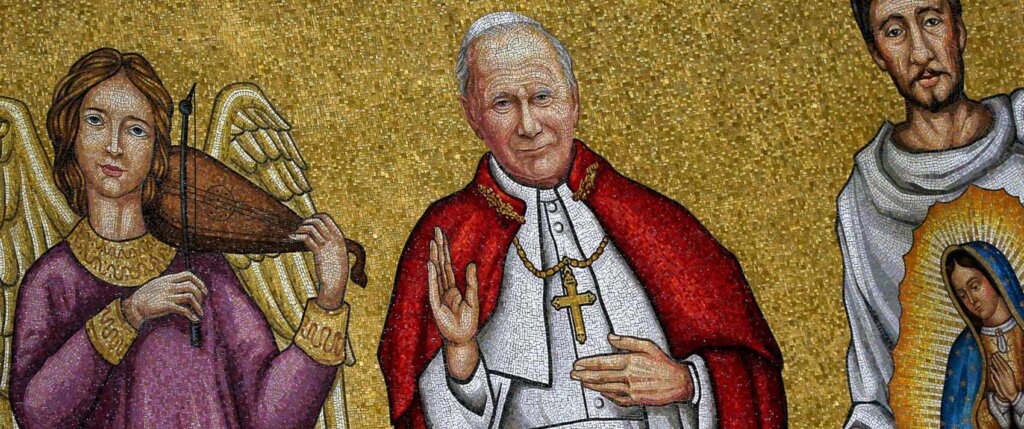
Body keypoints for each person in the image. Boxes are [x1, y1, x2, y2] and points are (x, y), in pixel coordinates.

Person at [379, 12, 785, 429]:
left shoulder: (654, 221)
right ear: (472, 116)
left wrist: (688, 382)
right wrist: (461, 355)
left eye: (542, 97)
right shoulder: (448, 236)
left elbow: (750, 371)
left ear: (574, 99)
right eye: (502, 104)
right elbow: (419, 406)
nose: (529, 126)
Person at [10, 48, 352, 428]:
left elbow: (270, 417)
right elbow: (37, 414)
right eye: (95, 121)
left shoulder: (207, 274)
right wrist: (130, 314)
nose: (114, 146)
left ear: (156, 150)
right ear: (70, 133)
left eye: (135, 130)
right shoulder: (53, 279)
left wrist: (329, 300)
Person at [839, 0, 1024, 427]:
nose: (920, 52)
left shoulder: (1020, 141)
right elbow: (873, 392)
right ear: (876, 53)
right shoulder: (863, 201)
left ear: (959, 29)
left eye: (932, 21)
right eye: (894, 31)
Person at [941, 243, 1024, 429]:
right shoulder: (965, 349)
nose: (972, 300)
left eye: (975, 286)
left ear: (996, 278)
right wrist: (1000, 402)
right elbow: (958, 418)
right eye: (962, 295)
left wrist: (1016, 398)